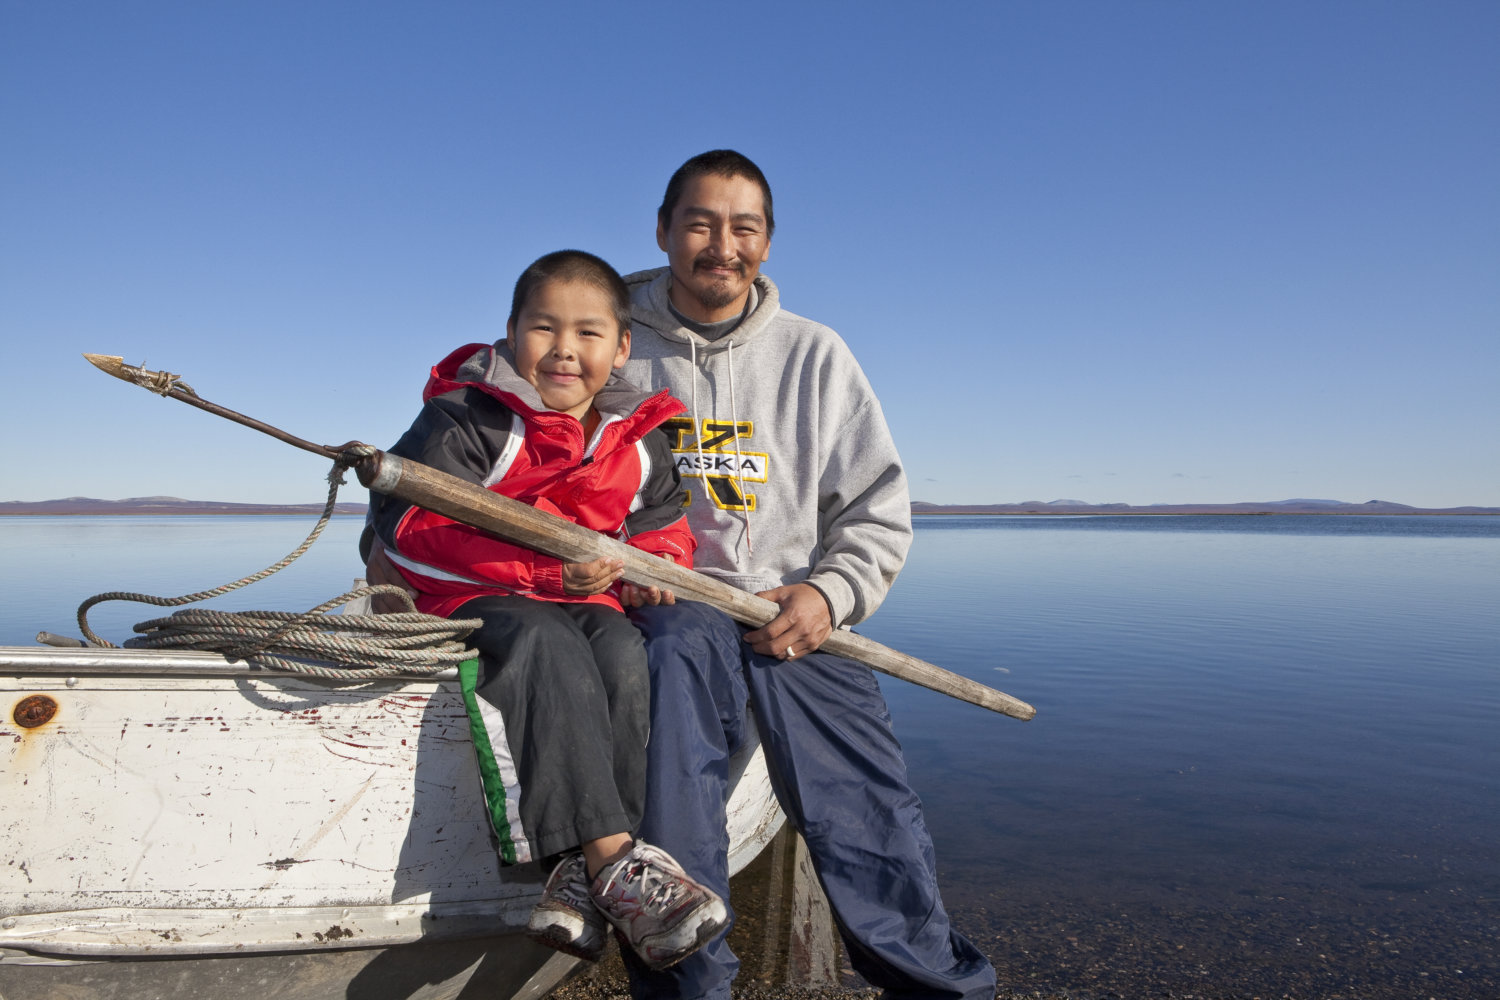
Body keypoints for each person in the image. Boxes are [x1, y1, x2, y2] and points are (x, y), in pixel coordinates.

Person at [616, 151, 998, 1000]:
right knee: (675, 744)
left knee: (867, 807)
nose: (723, 245)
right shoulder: (607, 341)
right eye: (701, 224)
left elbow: (876, 506)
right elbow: (514, 430)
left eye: (743, 227)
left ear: (768, 240)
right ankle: (690, 985)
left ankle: (941, 987)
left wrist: (830, 594)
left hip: (792, 605)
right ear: (664, 230)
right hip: (668, 605)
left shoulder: (816, 356)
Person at [360, 249, 728, 971]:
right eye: (544, 329)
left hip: (573, 594)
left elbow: (660, 526)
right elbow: (409, 530)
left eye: (589, 333)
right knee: (542, 643)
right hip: (459, 592)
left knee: (624, 653)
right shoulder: (467, 417)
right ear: (509, 333)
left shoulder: (636, 437)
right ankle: (617, 861)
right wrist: (545, 570)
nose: (565, 350)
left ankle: (575, 880)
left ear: (621, 348)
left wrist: (659, 571)